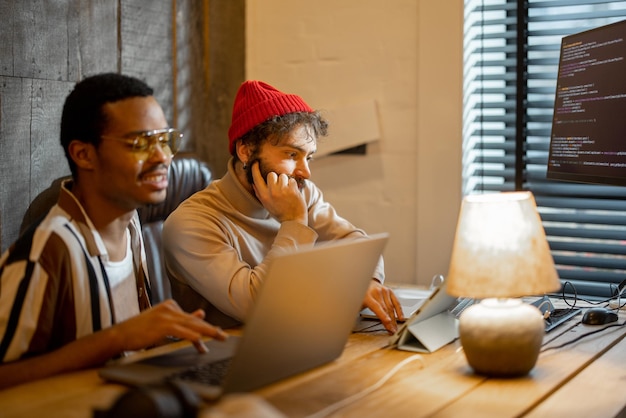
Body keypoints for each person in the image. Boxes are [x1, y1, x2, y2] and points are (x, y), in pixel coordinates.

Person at [0, 73, 227, 389]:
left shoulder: (130, 222)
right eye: (140, 143)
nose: (163, 157)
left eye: (165, 140)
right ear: (83, 154)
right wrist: (117, 337)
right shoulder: (45, 253)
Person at [163, 80, 403, 333]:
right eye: (291, 155)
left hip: (295, 338)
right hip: (224, 359)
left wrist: (368, 281)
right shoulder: (192, 223)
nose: (306, 172)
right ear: (245, 150)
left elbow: (358, 244)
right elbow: (258, 308)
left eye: (308, 157)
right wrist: (293, 223)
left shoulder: (302, 193)